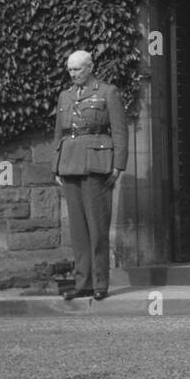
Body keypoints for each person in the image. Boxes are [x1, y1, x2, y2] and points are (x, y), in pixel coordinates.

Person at [53, 50, 128, 300]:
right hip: (70, 163)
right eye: (70, 70)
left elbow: (119, 131)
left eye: (78, 69)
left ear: (90, 68)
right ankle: (82, 282)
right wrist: (56, 166)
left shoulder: (108, 92)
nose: (73, 74)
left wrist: (118, 165)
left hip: (97, 163)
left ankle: (99, 283)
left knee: (97, 228)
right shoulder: (64, 96)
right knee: (78, 230)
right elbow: (59, 133)